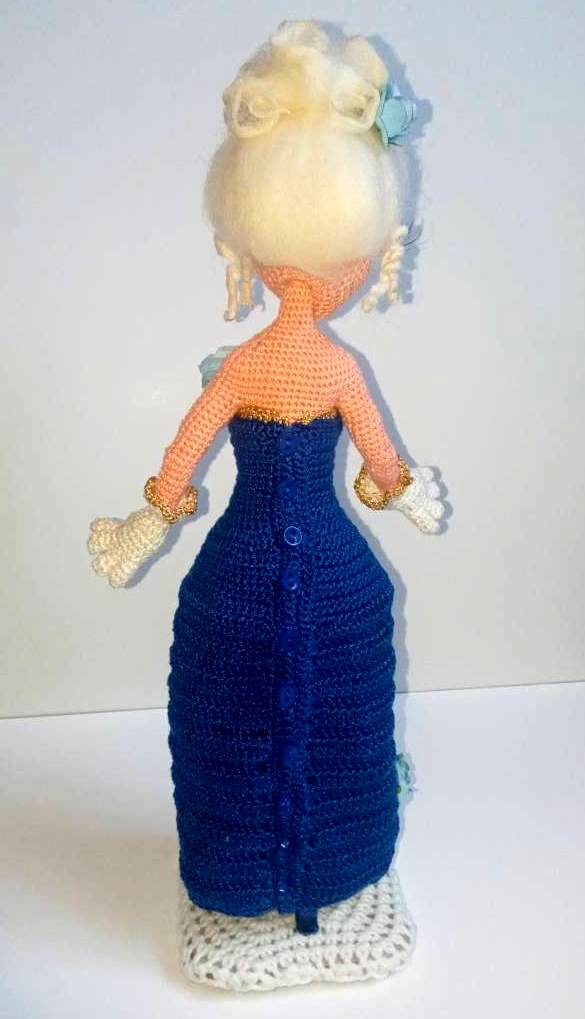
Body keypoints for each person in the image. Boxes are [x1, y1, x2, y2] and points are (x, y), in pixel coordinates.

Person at [88, 20, 445, 942]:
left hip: (237, 570)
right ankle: (295, 874)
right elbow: (381, 466)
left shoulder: (246, 365)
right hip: (326, 571)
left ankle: (283, 871)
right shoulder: (334, 369)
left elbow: (183, 454)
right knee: (280, 699)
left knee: (255, 697)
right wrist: (401, 492)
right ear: (355, 260)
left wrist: (149, 517)